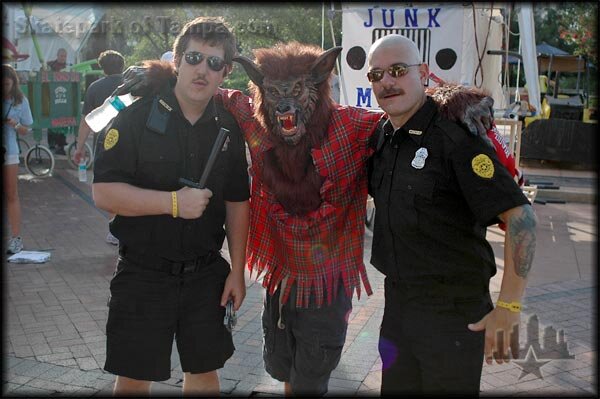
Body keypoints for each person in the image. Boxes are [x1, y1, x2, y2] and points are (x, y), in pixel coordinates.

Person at [114, 40, 496, 396]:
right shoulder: (255, 119)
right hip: (280, 280)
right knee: (283, 372)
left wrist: (454, 98)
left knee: (310, 379)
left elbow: (403, 111)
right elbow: (210, 88)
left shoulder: (351, 126)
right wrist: (160, 73)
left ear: (316, 88)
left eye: (296, 92)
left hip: (327, 286)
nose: (284, 104)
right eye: (275, 93)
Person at [366, 34, 537, 395]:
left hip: (452, 315)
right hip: (397, 309)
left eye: (397, 70)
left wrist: (509, 306)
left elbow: (522, 217)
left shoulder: (455, 140)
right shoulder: (383, 136)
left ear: (424, 73)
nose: (386, 82)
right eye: (376, 74)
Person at [91, 17, 250, 396]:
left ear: (225, 71)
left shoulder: (228, 127)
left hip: (205, 275)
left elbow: (237, 202)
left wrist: (239, 270)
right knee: (133, 379)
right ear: (177, 59)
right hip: (143, 273)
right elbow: (104, 193)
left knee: (204, 375)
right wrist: (174, 203)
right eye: (195, 57)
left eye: (214, 63)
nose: (203, 70)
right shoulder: (135, 117)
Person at [73, 50, 126, 246]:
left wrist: (79, 147)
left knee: (109, 185)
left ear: (101, 68)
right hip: (132, 144)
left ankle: (114, 227)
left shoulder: (94, 88)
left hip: (105, 145)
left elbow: (86, 121)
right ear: (122, 64)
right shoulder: (131, 84)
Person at [3, 64, 33, 254]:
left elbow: (27, 128)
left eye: (6, 84)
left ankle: (15, 238)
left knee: (11, 194)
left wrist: (15, 125)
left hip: (9, 151)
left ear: (13, 83)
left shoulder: (20, 101)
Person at [47, 48, 69, 154]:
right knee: (52, 122)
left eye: (65, 56)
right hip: (52, 97)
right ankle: (52, 144)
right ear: (57, 55)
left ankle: (61, 143)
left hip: (64, 98)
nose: (63, 58)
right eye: (61, 56)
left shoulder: (68, 67)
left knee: (63, 122)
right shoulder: (50, 66)